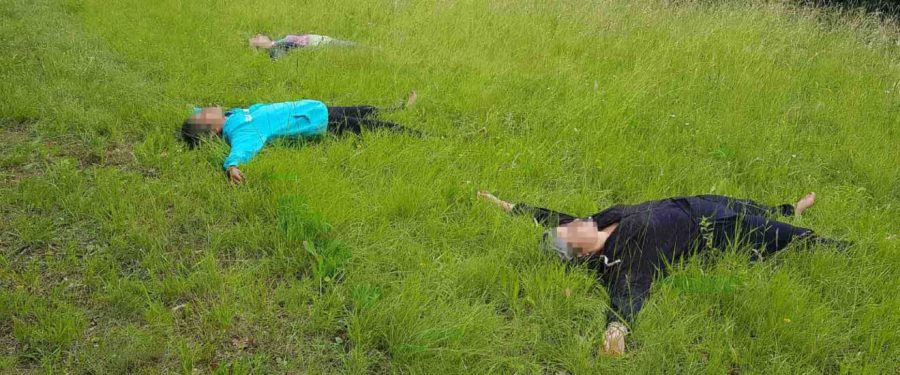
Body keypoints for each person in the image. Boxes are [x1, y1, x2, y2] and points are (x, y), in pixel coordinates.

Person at [476, 191, 851, 356]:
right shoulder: (620, 256)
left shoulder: (594, 223)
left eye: (570, 226)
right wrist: (616, 329)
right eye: (571, 232)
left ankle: (791, 207)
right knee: (785, 236)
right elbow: (631, 289)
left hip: (691, 203)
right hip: (709, 231)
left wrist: (505, 205)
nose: (575, 224)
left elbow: (547, 214)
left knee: (756, 207)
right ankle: (843, 247)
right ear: (579, 251)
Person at [181, 91, 419, 183]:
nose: (207, 108)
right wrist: (232, 166)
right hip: (317, 123)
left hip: (313, 110)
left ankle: (398, 107)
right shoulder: (241, 130)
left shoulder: (231, 116)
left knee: (363, 108)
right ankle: (422, 135)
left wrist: (193, 114)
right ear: (214, 130)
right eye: (204, 114)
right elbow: (243, 148)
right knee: (373, 126)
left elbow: (197, 114)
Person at [249, 33, 355, 59]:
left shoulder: (278, 43)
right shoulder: (276, 50)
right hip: (323, 44)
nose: (259, 36)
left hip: (324, 41)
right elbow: (278, 58)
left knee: (354, 47)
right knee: (354, 47)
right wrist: (253, 47)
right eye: (257, 38)